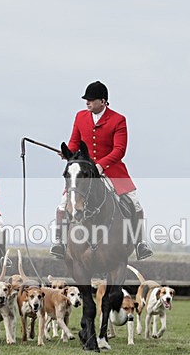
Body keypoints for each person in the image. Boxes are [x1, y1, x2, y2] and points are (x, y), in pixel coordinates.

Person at [50, 81, 153, 260]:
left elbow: (120, 150)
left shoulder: (118, 120)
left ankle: (140, 243)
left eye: (91, 100)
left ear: (103, 101)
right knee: (63, 202)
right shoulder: (80, 116)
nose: (87, 103)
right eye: (86, 100)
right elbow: (74, 141)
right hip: (84, 171)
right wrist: (69, 153)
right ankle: (59, 241)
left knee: (135, 203)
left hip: (112, 170)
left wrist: (100, 165)